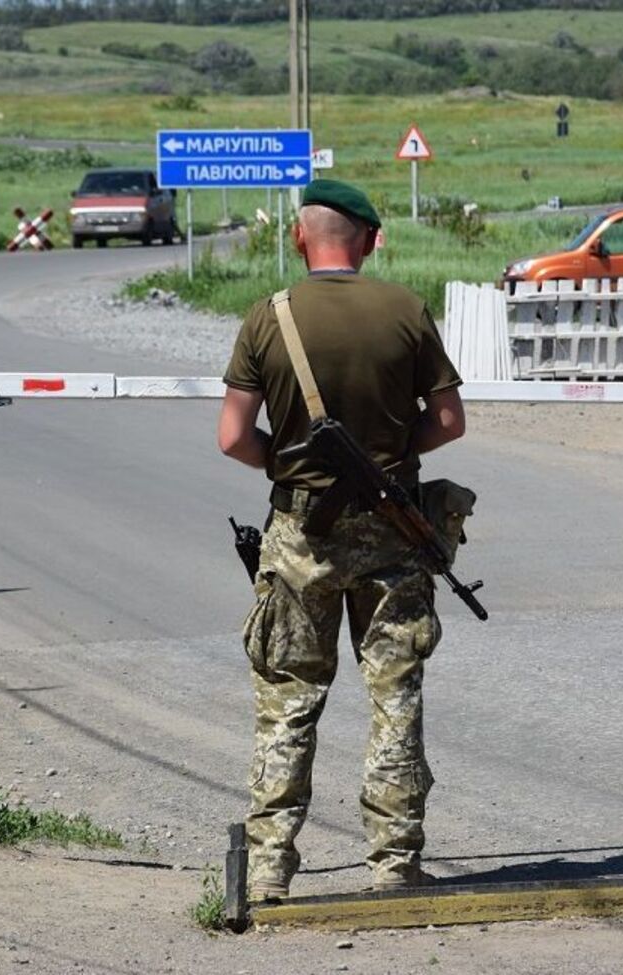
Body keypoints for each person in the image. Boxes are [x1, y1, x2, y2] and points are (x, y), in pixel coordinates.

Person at [217, 179, 466, 899]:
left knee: (288, 699)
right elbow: (449, 422)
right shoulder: (405, 310)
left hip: (301, 535)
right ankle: (395, 864)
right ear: (371, 240)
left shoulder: (269, 316)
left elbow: (232, 436)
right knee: (396, 698)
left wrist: (294, 466)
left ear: (300, 235)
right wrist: (387, 462)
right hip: (394, 529)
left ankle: (268, 868)